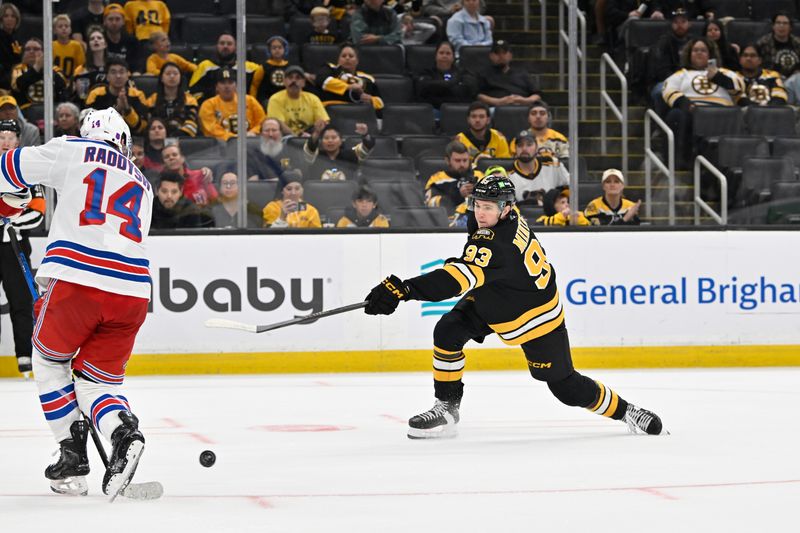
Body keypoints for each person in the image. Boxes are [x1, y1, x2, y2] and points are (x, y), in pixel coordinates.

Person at [364, 173, 665, 439]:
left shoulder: (498, 244)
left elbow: (455, 280)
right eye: (477, 205)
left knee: (566, 388)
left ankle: (628, 411)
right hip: (498, 295)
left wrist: (404, 289)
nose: (480, 213)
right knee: (448, 331)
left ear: (505, 209)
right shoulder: (505, 213)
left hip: (535, 317)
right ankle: (446, 408)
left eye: (487, 208)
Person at [2, 107, 154, 499]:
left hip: (78, 280)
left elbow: (10, 167)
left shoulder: (73, 149)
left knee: (50, 360)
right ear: (122, 140)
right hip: (134, 292)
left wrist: (10, 201)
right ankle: (123, 432)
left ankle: (71, 452)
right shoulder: (144, 183)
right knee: (96, 382)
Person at [0, 119, 44, 374]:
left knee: (20, 301)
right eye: (1, 136)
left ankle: (25, 356)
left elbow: (38, 212)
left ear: (18, 141)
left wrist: (9, 219)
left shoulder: (25, 170)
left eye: (10, 136)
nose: (6, 141)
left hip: (14, 245)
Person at [662, 37, 743, 168]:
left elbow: (739, 87)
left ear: (710, 54)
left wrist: (717, 77)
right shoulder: (682, 74)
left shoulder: (724, 72)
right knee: (675, 115)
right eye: (695, 50)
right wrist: (686, 104)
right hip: (692, 111)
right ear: (689, 54)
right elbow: (668, 89)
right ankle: (680, 160)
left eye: (703, 50)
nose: (699, 53)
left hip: (721, 113)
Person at [188, 32, 261, 103]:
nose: (225, 46)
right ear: (217, 46)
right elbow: (193, 93)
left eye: (229, 44)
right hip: (212, 108)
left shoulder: (249, 68)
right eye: (222, 43)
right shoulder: (205, 66)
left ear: (235, 47)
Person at [199, 67, 266, 142]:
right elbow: (210, 129)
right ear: (216, 87)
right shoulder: (208, 105)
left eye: (230, 82)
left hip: (250, 142)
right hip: (219, 147)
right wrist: (233, 138)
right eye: (223, 83)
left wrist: (253, 132)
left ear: (236, 86)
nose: (227, 86)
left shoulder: (250, 101)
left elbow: (262, 122)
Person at [424, 140, 483, 226]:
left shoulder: (479, 176)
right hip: (447, 226)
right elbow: (431, 205)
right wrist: (458, 194)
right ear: (447, 161)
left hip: (477, 224)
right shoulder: (437, 179)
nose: (462, 164)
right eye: (457, 161)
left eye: (465, 160)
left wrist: (477, 191)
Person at [85, 58, 149, 136]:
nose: (118, 76)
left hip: (132, 138)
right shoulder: (96, 94)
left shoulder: (137, 95)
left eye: (122, 72)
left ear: (127, 76)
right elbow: (88, 122)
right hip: (102, 137)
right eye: (113, 72)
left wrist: (127, 109)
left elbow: (141, 128)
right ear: (107, 77)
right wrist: (116, 110)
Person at [316, 44, 385, 114]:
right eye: (343, 56)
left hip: (358, 114)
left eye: (351, 56)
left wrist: (371, 100)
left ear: (357, 61)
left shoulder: (368, 78)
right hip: (331, 112)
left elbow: (380, 102)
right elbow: (323, 80)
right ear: (338, 60)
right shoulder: (330, 68)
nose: (347, 58)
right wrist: (348, 87)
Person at [507, 130, 569, 206]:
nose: (524, 148)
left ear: (537, 148)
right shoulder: (507, 174)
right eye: (520, 145)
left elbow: (570, 186)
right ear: (515, 150)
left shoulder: (553, 164)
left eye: (529, 145)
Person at [649, 8, 691, 115]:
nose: (679, 25)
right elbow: (661, 70)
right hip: (668, 81)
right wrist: (679, 81)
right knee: (659, 91)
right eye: (676, 22)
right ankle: (660, 124)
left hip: (692, 80)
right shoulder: (663, 42)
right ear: (671, 24)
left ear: (689, 24)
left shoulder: (695, 42)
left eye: (683, 21)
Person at [267, 65, 330, 136]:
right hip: (284, 140)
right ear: (284, 81)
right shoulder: (275, 99)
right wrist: (297, 138)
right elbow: (279, 124)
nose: (294, 81)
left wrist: (313, 134)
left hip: (309, 138)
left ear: (304, 82)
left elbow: (324, 122)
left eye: (298, 78)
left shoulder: (313, 99)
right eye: (290, 77)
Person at [477, 40, 541, 107]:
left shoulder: (522, 73)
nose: (501, 56)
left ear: (510, 55)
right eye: (497, 53)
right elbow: (478, 96)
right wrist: (497, 102)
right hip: (494, 109)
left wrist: (525, 100)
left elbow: (537, 94)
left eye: (504, 52)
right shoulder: (483, 74)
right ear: (491, 56)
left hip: (522, 108)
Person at [416, 41, 478, 109]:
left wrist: (439, 87)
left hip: (458, 109)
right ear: (435, 55)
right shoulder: (426, 72)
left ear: (453, 57)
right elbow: (424, 87)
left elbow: (469, 89)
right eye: (441, 53)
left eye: (448, 53)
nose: (444, 56)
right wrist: (453, 83)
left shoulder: (463, 72)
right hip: (434, 109)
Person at [11, 38, 69, 110]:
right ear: (23, 53)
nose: (31, 51)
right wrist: (36, 68)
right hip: (27, 109)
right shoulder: (18, 69)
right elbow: (16, 86)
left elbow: (64, 84)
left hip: (52, 109)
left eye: (36, 49)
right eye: (28, 49)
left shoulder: (54, 69)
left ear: (43, 52)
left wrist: (45, 68)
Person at [303, 122, 374, 181]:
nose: (330, 141)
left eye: (334, 137)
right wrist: (317, 132)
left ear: (341, 141)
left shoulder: (351, 155)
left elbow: (367, 147)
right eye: (326, 138)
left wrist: (365, 135)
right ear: (321, 142)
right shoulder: (316, 156)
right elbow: (310, 148)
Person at [145, 62, 200, 137]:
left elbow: (192, 124)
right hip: (157, 138)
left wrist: (175, 136)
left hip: (184, 139)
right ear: (161, 78)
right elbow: (148, 123)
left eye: (175, 73)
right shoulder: (151, 100)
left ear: (180, 78)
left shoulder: (190, 100)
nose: (172, 76)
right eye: (168, 74)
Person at [247, 117, 302, 181]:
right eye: (267, 131)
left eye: (274, 130)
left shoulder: (291, 150)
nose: (270, 134)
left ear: (280, 133)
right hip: (261, 189)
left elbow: (298, 175)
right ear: (261, 134)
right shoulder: (252, 153)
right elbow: (251, 180)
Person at [756, 12, 800, 79]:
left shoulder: (797, 43)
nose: (781, 26)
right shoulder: (763, 43)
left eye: (785, 23)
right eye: (778, 23)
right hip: (771, 79)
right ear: (773, 26)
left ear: (790, 27)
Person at [103, 3, 142, 74]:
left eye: (117, 19)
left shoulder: (132, 41)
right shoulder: (99, 39)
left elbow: (137, 66)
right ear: (104, 22)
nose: (114, 23)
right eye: (110, 19)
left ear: (123, 21)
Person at [73, 26, 108, 103]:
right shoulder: (80, 70)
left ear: (105, 44)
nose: (96, 40)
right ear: (89, 45)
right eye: (92, 39)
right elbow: (76, 96)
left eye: (99, 38)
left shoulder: (114, 68)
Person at [253, 36, 290, 107]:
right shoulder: (263, 67)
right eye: (274, 48)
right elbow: (255, 86)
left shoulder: (289, 67)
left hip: (285, 99)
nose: (277, 50)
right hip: (267, 99)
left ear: (285, 49)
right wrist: (254, 101)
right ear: (269, 50)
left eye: (280, 47)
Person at [52, 14, 85, 80]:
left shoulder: (77, 46)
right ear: (54, 30)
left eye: (66, 26)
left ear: (70, 29)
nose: (64, 28)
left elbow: (81, 66)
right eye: (60, 26)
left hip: (72, 82)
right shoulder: (51, 46)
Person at [0, 3, 22, 89]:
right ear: (1, 19)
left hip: (14, 78)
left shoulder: (17, 39)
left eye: (13, 16)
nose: (10, 19)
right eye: (6, 16)